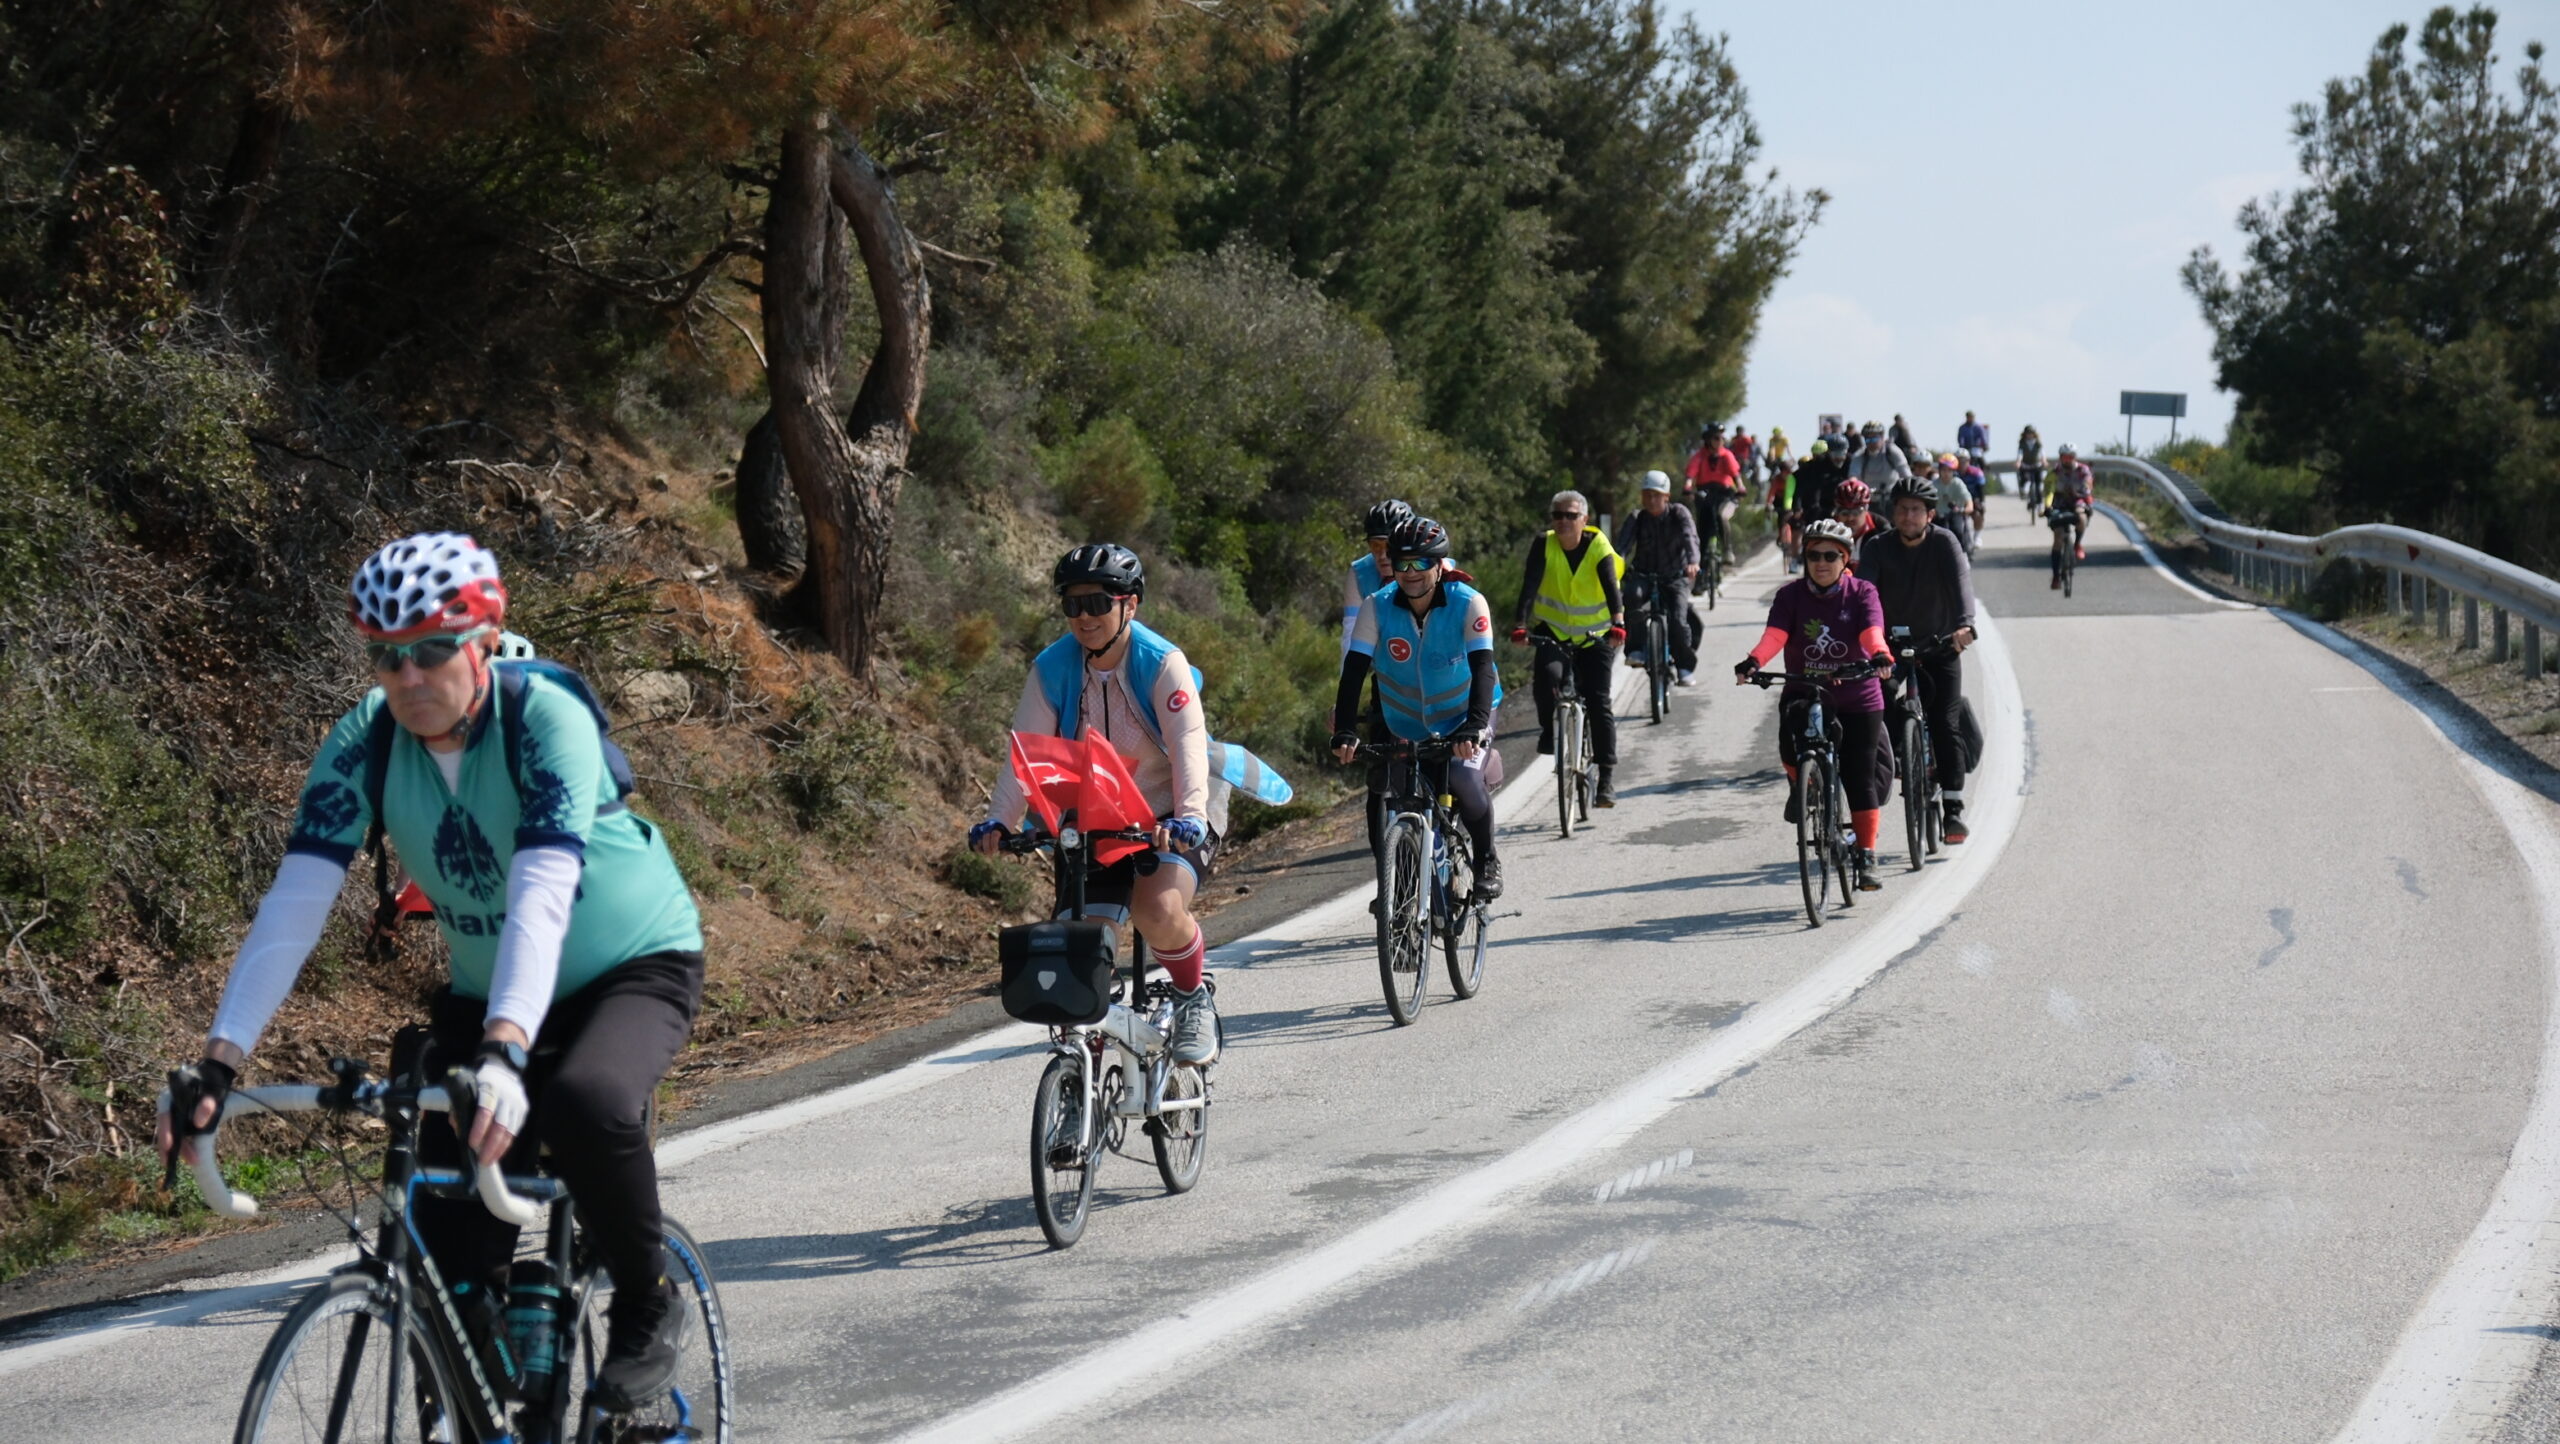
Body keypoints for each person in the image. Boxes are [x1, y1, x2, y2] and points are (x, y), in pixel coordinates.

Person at [160, 532, 704, 1414]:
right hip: (489, 993)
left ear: (484, 640)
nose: (408, 676)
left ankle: (648, 1300)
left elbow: (540, 891)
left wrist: (506, 1049)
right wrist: (218, 1064)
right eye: (386, 656)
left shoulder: (546, 717)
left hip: (629, 964)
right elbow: (296, 901)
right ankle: (480, 1375)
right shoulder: (365, 741)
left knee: (586, 1100)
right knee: (443, 1265)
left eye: (432, 649)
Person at [974, 544, 1221, 1063]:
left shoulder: (1162, 663)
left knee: (1157, 910)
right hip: (1096, 820)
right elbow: (1025, 755)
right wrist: (999, 820)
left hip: (1170, 813)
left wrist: (1190, 817)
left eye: (1097, 603)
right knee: (1082, 943)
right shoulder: (1052, 668)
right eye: (1072, 605)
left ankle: (1192, 996)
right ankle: (1082, 1080)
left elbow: (1188, 748)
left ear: (1129, 604)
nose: (1083, 617)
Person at [1331, 516, 1504, 900]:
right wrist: (1345, 728)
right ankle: (1406, 896)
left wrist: (1474, 727)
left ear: (1440, 565)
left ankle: (1486, 860)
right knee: (1396, 791)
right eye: (1402, 563)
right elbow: (1354, 672)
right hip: (1405, 720)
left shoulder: (1468, 602)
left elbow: (1482, 669)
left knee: (1462, 777)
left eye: (1421, 563)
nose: (1410, 573)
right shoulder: (1377, 606)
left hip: (1466, 714)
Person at [1733, 519, 1894, 892]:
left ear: (1845, 559)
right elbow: (1775, 636)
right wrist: (1754, 661)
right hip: (1805, 690)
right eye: (1813, 555)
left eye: (1830, 556)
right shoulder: (1790, 596)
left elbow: (1871, 632)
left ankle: (1866, 855)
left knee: (1859, 776)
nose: (1821, 563)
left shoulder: (1862, 592)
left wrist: (1880, 654)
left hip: (1857, 695)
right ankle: (1802, 784)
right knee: (1789, 746)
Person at [1858, 477, 1980, 844]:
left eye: (1915, 510)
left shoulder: (1944, 542)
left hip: (1940, 645)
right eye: (1901, 509)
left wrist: (1965, 625)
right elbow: (1864, 594)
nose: (1908, 516)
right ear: (1893, 513)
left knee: (1945, 722)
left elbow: (1961, 585)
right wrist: (1861, 634)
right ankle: (1901, 753)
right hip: (1889, 649)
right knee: (1876, 705)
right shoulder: (1877, 547)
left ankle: (1953, 810)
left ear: (1930, 514)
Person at [1511, 490, 1626, 807]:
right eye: (1557, 515)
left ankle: (1606, 779)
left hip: (1596, 634)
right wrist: (1520, 624)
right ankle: (1550, 731)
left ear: (1584, 520)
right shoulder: (1543, 543)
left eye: (1571, 515)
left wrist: (1618, 622)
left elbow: (1611, 585)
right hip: (1554, 630)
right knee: (1546, 679)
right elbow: (1529, 584)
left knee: (1598, 702)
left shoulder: (1598, 545)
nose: (1563, 521)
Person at [1613, 470, 1702, 685]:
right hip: (1643, 574)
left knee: (1678, 620)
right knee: (1632, 597)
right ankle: (1636, 650)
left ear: (1666, 497)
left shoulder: (1679, 513)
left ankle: (1684, 667)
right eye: (1647, 495)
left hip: (1676, 575)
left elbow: (1690, 537)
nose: (1651, 500)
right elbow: (1621, 548)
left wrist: (1692, 561)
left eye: (1656, 495)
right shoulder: (1637, 517)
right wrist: (1614, 568)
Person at [1683, 424, 1744, 564]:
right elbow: (1691, 473)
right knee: (1702, 527)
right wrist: (1687, 487)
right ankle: (1700, 564)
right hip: (1705, 493)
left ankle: (1728, 550)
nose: (1721, 440)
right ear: (1707, 440)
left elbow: (1735, 474)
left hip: (1726, 494)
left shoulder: (1726, 455)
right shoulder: (1699, 456)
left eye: (1722, 437)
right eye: (1716, 438)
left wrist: (1741, 487)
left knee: (1722, 516)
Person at [2044, 443, 2095, 586]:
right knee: (2058, 538)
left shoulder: (2083, 470)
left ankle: (2077, 544)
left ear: (2075, 457)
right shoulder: (2054, 472)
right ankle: (2056, 576)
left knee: (2081, 517)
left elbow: (2087, 488)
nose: (2067, 460)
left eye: (2070, 457)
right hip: (2059, 503)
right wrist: (2047, 506)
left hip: (2078, 500)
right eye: (2064, 457)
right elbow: (2049, 491)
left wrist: (2087, 502)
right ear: (2060, 458)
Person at [1850, 419, 1911, 499]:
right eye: (1868, 439)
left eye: (1874, 438)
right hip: (1867, 499)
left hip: (1891, 499)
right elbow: (1853, 477)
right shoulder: (1859, 455)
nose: (1871, 442)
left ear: (1882, 437)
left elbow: (1907, 477)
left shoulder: (1892, 451)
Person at [1767, 453, 1801, 570]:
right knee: (1781, 520)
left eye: (1788, 471)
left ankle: (1792, 542)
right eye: (1784, 471)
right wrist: (1769, 504)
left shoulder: (1793, 478)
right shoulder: (1776, 480)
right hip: (1779, 503)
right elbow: (1771, 493)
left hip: (1792, 502)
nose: (1786, 473)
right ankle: (1781, 536)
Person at [1831, 477, 1878, 545]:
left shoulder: (1881, 530)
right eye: (1844, 513)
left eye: (1856, 513)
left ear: (1866, 510)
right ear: (1836, 512)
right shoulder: (1823, 530)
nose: (1850, 518)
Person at [2017, 425, 2046, 521]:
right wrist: (2018, 462)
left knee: (2038, 486)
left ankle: (2040, 506)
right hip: (2026, 465)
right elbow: (2020, 453)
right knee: (2024, 479)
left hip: (2036, 465)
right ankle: (2023, 491)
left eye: (2031, 433)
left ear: (2034, 434)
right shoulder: (2022, 443)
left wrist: (2044, 460)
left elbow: (2042, 453)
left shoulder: (2038, 443)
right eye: (2028, 433)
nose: (2029, 435)